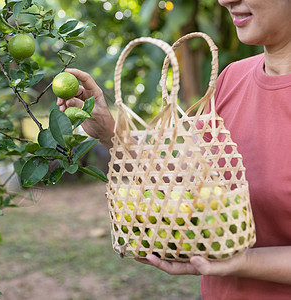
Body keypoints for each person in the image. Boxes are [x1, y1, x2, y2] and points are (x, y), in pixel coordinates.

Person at [57, 0, 291, 299]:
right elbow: (187, 183)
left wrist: (242, 262)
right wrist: (110, 132)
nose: (225, 1)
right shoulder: (232, 78)